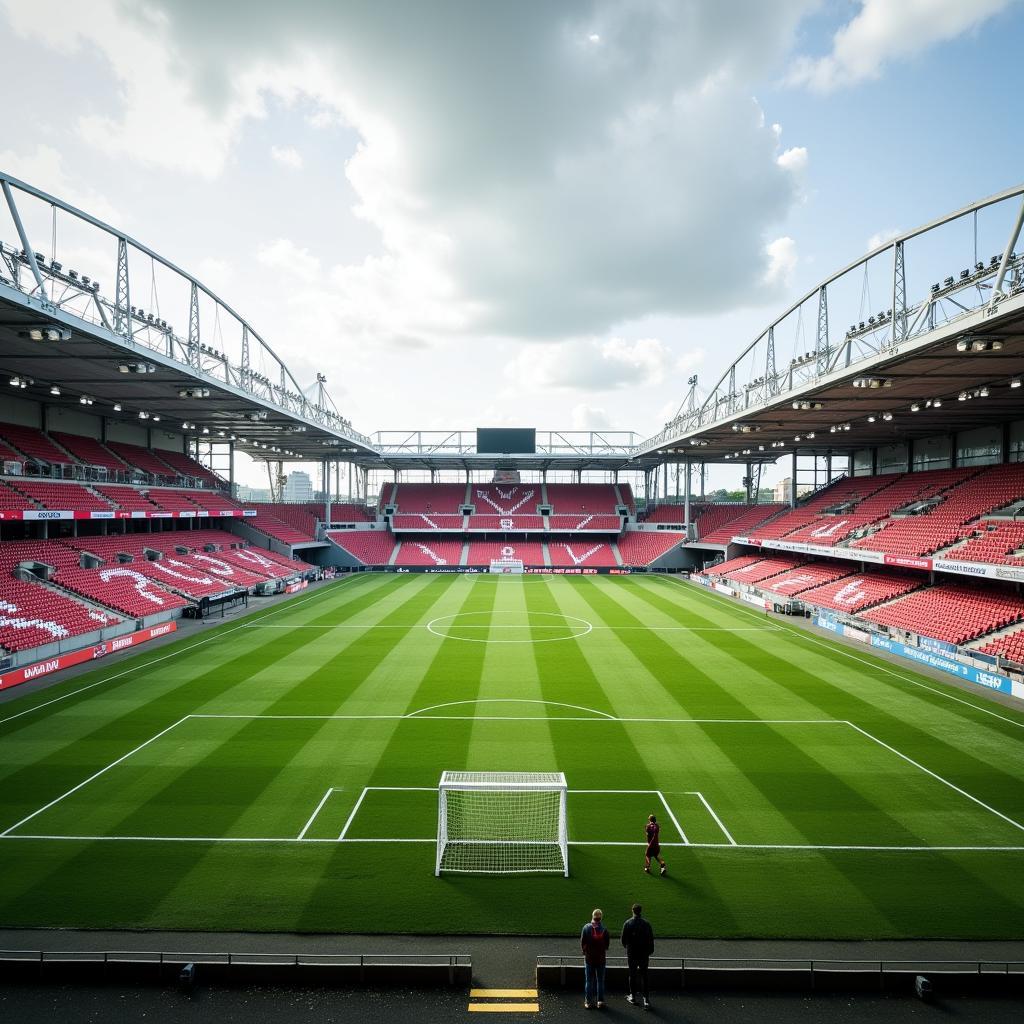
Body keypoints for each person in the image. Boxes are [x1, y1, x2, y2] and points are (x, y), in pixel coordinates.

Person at [621, 903, 655, 1010]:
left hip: (632, 954)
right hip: (644, 954)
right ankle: (646, 999)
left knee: (632, 974)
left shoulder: (628, 923)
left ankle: (633, 996)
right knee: (644, 975)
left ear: (632, 911)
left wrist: (629, 947)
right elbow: (651, 939)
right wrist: (649, 951)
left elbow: (623, 940)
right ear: (641, 911)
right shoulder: (646, 924)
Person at [580, 907, 610, 1009]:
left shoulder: (586, 928)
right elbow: (606, 945)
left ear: (593, 916)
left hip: (589, 959)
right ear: (601, 918)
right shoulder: (604, 929)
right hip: (601, 959)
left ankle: (588, 1002)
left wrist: (585, 952)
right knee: (600, 981)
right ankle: (600, 1001)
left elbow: (583, 942)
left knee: (589, 981)